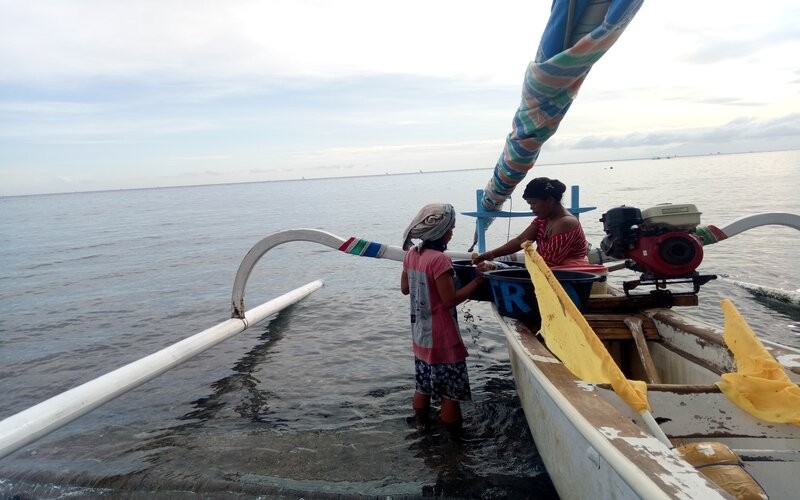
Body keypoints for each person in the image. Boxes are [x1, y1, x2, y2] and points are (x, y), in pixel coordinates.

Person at [400, 203, 484, 428]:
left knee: (423, 386)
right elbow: (450, 300)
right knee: (450, 396)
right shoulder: (440, 260)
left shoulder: (411, 255)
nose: (452, 232)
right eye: (451, 229)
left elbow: (405, 288)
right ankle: (451, 445)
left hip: (421, 336)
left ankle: (420, 426)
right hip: (443, 338)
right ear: (441, 232)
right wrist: (477, 281)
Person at [473, 177, 589, 267]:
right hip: (548, 270)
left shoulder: (565, 222)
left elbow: (550, 262)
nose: (531, 208)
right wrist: (492, 254)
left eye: (533, 203)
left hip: (570, 274)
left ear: (550, 200)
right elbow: (520, 240)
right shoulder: (543, 219)